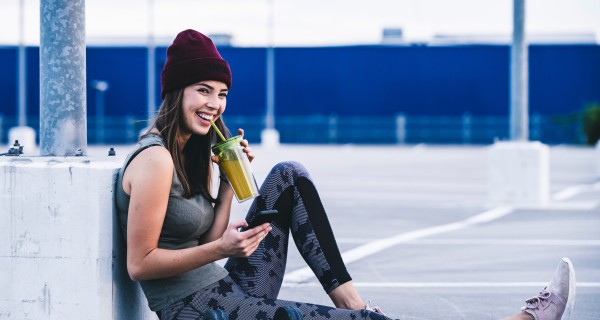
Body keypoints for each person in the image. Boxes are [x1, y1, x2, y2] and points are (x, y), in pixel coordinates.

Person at [115, 29, 576, 320]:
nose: (214, 103)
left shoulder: (190, 153)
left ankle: (351, 302)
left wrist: (225, 188)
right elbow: (140, 264)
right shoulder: (155, 159)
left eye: (221, 92)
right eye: (202, 90)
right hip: (196, 310)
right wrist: (222, 247)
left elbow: (201, 242)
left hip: (220, 288)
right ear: (176, 92)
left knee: (288, 175)